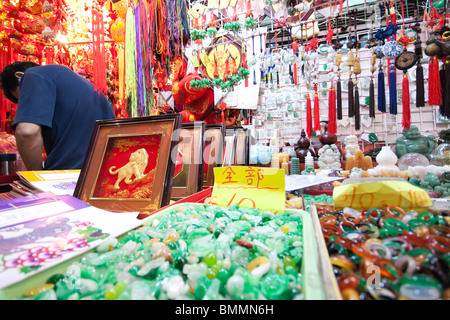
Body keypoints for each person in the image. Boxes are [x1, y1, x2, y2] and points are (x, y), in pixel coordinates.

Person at [1, 62, 115, 170]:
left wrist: (34, 174)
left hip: (67, 175)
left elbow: (27, 132)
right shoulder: (79, 83)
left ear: (20, 76)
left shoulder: (33, 74)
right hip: (102, 169)